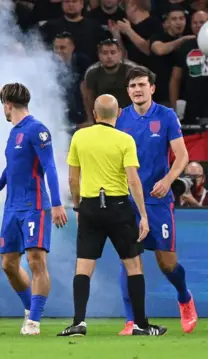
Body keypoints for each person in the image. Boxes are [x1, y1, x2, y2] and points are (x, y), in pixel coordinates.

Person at [57, 94, 167, 337]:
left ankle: (78, 323)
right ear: (118, 114)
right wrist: (143, 215)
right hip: (119, 207)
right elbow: (133, 179)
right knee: (133, 265)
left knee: (84, 265)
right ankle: (141, 324)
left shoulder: (80, 136)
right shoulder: (125, 139)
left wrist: (78, 205)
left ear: (94, 114)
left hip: (90, 207)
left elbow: (72, 179)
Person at [115, 66, 197, 335]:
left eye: (141, 85)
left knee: (167, 262)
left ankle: (184, 297)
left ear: (152, 88)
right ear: (127, 91)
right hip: (127, 201)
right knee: (129, 261)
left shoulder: (166, 116)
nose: (137, 90)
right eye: (132, 86)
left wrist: (168, 181)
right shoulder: (120, 119)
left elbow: (182, 156)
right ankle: (132, 320)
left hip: (158, 200)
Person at [0, 83, 68, 336]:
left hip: (35, 206)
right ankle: (30, 308)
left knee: (36, 261)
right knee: (8, 264)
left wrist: (56, 203)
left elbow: (49, 167)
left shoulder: (37, 130)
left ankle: (34, 321)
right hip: (12, 208)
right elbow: (13, 167)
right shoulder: (13, 132)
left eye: (3, 106)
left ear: (7, 104)